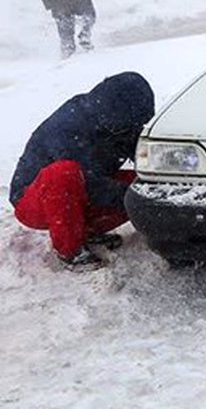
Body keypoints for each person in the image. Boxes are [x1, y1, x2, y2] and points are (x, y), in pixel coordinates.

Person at [9, 72, 155, 270]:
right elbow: (89, 184)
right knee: (64, 174)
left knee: (142, 184)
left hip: (81, 191)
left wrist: (156, 189)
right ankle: (69, 251)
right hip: (34, 200)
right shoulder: (69, 125)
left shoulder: (123, 121)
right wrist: (134, 199)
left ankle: (84, 232)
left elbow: (142, 156)